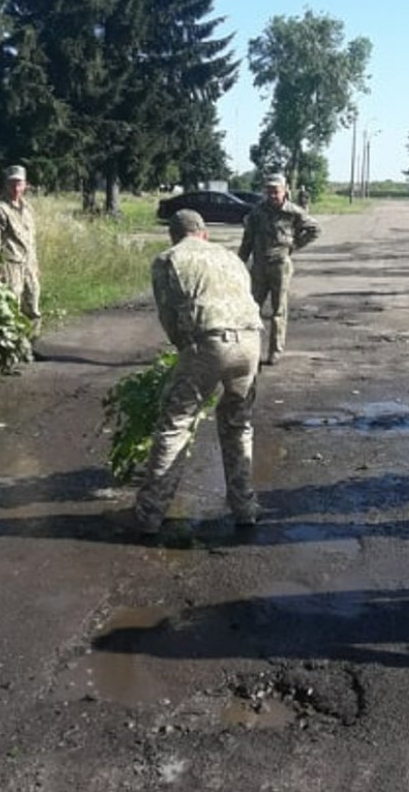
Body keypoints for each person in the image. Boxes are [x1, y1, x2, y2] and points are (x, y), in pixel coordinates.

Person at [135, 209, 263, 535]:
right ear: (204, 233)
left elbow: (169, 315)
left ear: (175, 235)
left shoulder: (168, 259)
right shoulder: (230, 258)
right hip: (251, 342)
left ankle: (149, 515)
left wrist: (184, 352)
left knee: (176, 424)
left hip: (210, 342)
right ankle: (245, 507)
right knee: (238, 424)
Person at [238, 172, 319, 365]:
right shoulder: (257, 212)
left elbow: (315, 229)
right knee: (252, 309)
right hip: (259, 266)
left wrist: (294, 245)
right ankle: (251, 350)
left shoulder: (292, 212)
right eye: (269, 191)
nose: (272, 195)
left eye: (276, 191)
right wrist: (240, 262)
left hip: (280, 265)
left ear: (284, 191)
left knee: (278, 311)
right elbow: (247, 239)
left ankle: (275, 350)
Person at [0, 164, 41, 337]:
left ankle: (29, 344)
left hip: (28, 264)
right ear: (5, 184)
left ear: (25, 185)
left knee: (32, 305)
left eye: (19, 184)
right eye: (12, 183)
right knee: (10, 306)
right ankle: (10, 347)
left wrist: (35, 263)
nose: (16, 188)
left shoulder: (27, 208)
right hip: (10, 264)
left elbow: (32, 239)